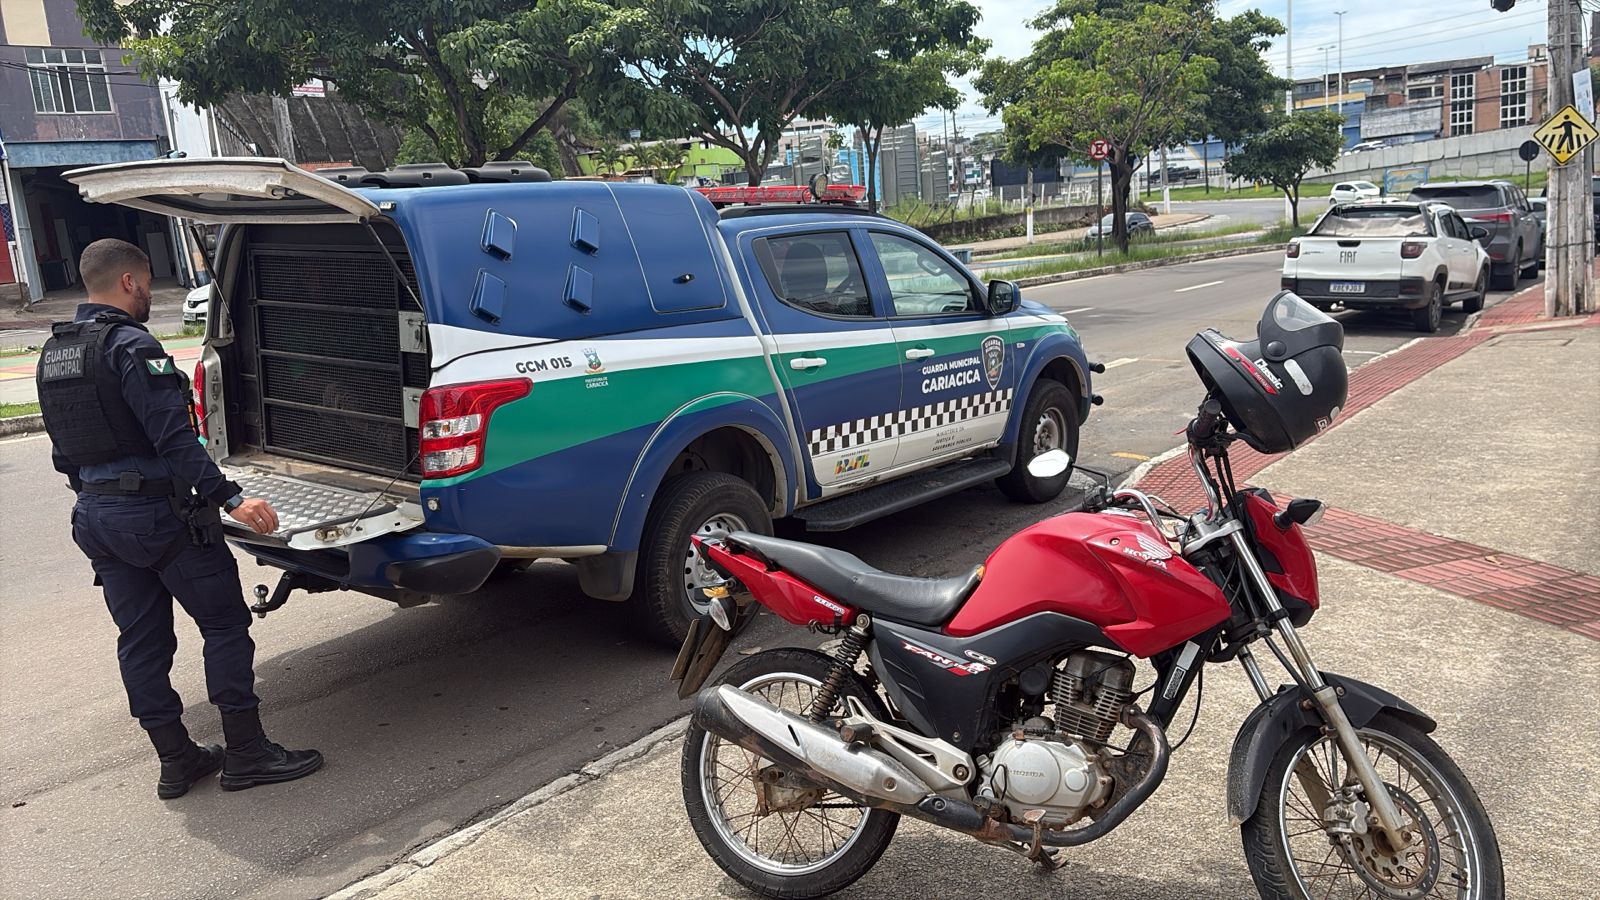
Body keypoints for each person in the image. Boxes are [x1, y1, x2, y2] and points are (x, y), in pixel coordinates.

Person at [37, 238, 322, 799]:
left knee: (140, 641)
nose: (147, 295)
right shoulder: (131, 346)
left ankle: (176, 760)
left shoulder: (56, 353)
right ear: (128, 283)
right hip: (157, 518)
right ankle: (246, 754)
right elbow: (176, 441)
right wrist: (232, 498)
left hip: (96, 517)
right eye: (145, 284)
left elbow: (63, 451)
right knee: (223, 626)